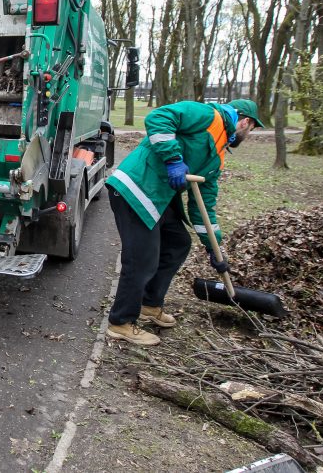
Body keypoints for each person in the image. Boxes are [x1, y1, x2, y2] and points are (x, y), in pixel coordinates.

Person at [104, 99, 264, 346]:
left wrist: (214, 246)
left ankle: (150, 304)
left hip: (158, 197)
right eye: (251, 128)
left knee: (178, 242)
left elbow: (204, 207)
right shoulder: (208, 115)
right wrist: (173, 159)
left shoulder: (218, 155)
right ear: (245, 121)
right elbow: (158, 118)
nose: (249, 133)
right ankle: (121, 322)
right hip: (136, 187)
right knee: (142, 259)